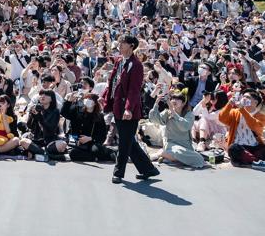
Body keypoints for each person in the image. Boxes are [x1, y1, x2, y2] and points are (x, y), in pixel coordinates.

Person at [103, 34, 159, 183]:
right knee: (128, 142)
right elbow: (113, 82)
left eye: (123, 43)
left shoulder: (137, 65)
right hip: (117, 106)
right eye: (120, 42)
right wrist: (106, 98)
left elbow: (134, 90)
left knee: (124, 143)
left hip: (129, 110)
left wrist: (128, 108)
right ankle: (149, 169)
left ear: (131, 46)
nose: (120, 45)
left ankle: (118, 173)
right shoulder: (119, 61)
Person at [147, 88, 205, 168]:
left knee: (199, 159)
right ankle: (163, 153)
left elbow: (185, 126)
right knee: (179, 153)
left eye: (177, 99)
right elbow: (154, 119)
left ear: (183, 103)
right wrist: (156, 103)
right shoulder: (167, 112)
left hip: (185, 146)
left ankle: (166, 155)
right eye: (172, 98)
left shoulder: (189, 114)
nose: (174, 101)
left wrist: (173, 113)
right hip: (171, 144)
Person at [217, 89, 265, 166]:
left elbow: (255, 127)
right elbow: (221, 118)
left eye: (247, 97)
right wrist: (229, 104)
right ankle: (255, 161)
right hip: (240, 146)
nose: (244, 98)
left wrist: (243, 110)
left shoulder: (261, 116)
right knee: (233, 148)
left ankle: (249, 159)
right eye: (243, 96)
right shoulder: (235, 112)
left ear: (255, 102)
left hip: (255, 146)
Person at [61, 90, 110, 162]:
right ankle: (94, 158)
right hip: (76, 140)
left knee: (97, 150)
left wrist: (90, 138)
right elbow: (64, 113)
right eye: (86, 98)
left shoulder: (99, 116)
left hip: (91, 142)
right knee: (73, 153)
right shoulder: (77, 110)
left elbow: (102, 135)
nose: (87, 100)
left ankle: (109, 153)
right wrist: (68, 102)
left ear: (95, 103)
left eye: (90, 99)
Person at [21, 89, 67, 160]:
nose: (43, 96)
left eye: (46, 94)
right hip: (36, 140)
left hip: (49, 141)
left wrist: (39, 117)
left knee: (63, 144)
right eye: (41, 94)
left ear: (52, 99)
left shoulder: (55, 112)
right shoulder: (36, 108)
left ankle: (36, 152)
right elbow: (29, 126)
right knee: (23, 141)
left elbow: (50, 129)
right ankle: (46, 154)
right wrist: (32, 115)